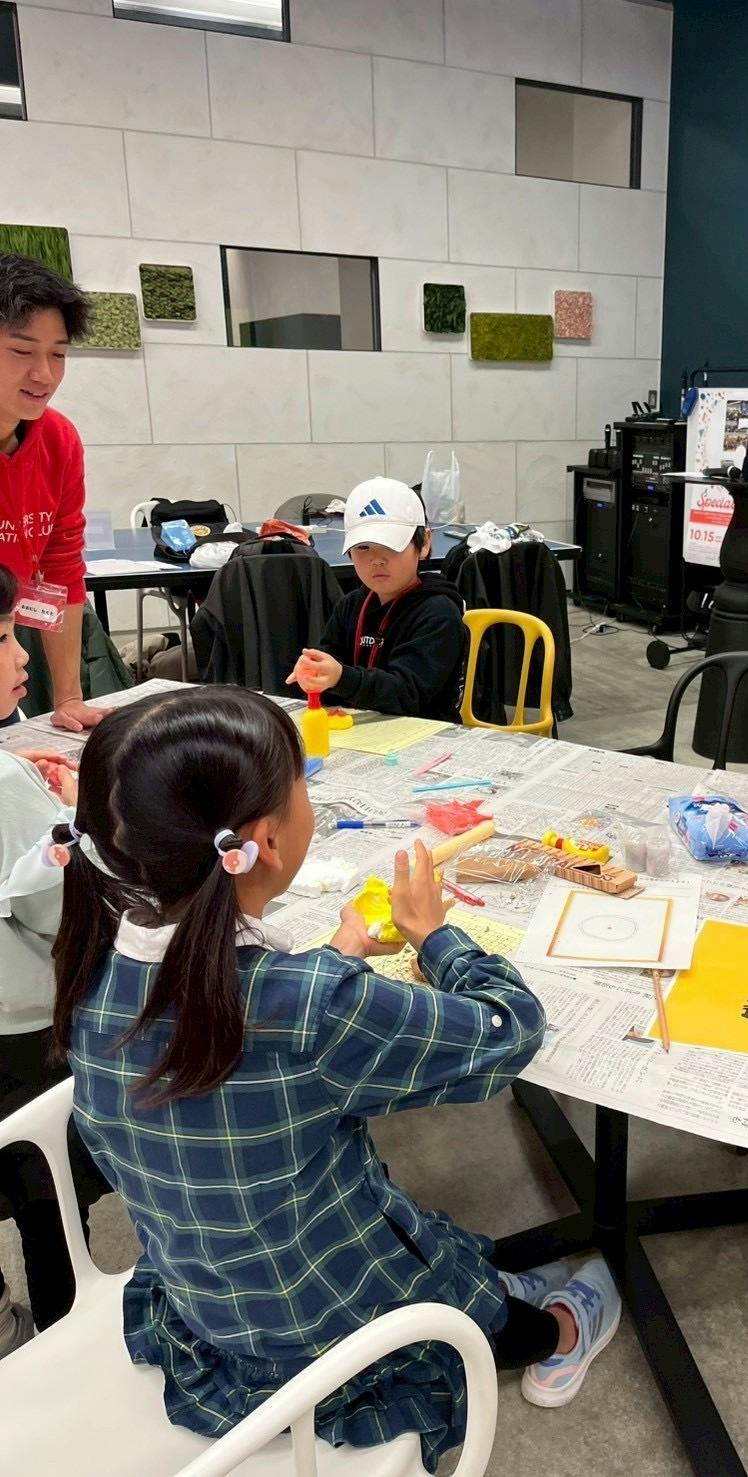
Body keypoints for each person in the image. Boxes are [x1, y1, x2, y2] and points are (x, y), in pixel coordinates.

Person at [50, 687, 620, 1465]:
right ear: (266, 840)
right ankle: (559, 1332)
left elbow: (253, 1034)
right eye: (303, 786)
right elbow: (508, 1028)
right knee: (462, 1297)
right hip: (332, 1319)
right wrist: (435, 935)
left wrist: (338, 957)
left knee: (437, 1241)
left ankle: (501, 1293)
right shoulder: (313, 1007)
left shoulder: (91, 970)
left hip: (206, 1295)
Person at [0, 560, 104, 1356]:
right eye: (3, 638)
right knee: (49, 1195)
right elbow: (59, 908)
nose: (20, 654)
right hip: (25, 1031)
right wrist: (73, 823)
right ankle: (65, 1339)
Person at [0, 254, 102, 732]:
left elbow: (61, 567)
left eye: (58, 355)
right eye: (22, 351)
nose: (44, 374)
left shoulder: (58, 439)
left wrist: (69, 698)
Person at [288, 478, 466, 722]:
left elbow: (408, 694)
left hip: (425, 732)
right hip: (358, 728)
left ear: (424, 543)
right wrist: (315, 674)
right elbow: (330, 665)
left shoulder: (439, 612)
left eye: (391, 546)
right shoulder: (350, 605)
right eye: (363, 547)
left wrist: (341, 678)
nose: (377, 560)